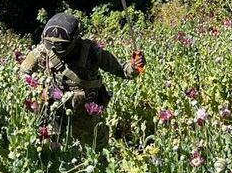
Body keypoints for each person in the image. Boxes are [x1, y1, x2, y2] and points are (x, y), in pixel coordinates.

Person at [20, 12, 145, 148]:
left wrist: (134, 67)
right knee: (51, 148)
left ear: (75, 40)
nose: (54, 49)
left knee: (96, 149)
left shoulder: (93, 52)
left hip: (85, 111)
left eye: (61, 46)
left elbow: (123, 70)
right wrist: (38, 91)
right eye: (50, 45)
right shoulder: (43, 51)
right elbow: (23, 73)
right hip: (55, 108)